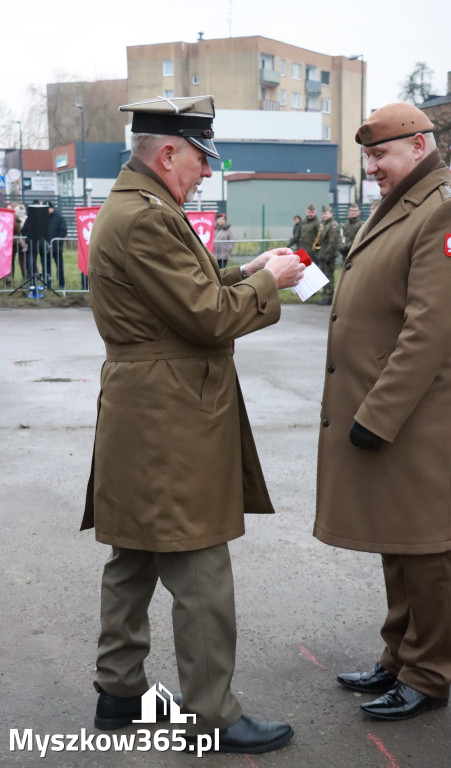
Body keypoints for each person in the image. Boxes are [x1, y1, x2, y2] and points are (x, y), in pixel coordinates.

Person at [80, 94, 304, 754]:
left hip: (149, 408)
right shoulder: (146, 217)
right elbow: (206, 316)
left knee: (135, 551)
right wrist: (271, 285)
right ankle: (211, 715)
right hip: (168, 415)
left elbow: (180, 294)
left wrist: (250, 271)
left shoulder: (139, 206)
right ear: (169, 152)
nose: (207, 171)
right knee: (199, 563)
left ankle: (120, 690)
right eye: (201, 159)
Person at [314, 102, 451, 721]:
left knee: (427, 546)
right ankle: (398, 657)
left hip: (421, 409)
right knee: (398, 537)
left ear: (418, 146)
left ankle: (429, 673)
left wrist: (378, 413)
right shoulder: (402, 203)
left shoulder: (448, 211)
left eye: (380, 154)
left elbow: (430, 330)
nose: (372, 168)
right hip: (393, 402)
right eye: (368, 157)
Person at [314, 205, 341, 305]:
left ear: (331, 214)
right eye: (324, 213)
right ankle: (325, 296)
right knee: (323, 276)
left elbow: (333, 242)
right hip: (323, 255)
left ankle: (329, 297)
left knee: (328, 276)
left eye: (326, 213)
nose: (324, 215)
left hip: (329, 255)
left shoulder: (333, 225)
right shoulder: (323, 224)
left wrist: (329, 255)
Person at [44, 200, 68, 290]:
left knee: (59, 267)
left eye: (48, 208)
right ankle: (48, 284)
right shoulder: (43, 217)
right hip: (46, 247)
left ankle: (61, 284)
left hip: (57, 247)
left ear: (52, 208)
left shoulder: (59, 217)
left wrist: (56, 242)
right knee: (46, 267)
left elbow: (63, 231)